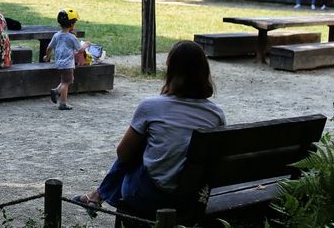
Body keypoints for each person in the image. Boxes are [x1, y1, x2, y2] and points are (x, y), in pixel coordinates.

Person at [71, 40, 225, 217]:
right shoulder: (216, 115)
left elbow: (123, 154)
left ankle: (98, 195)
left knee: (140, 144)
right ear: (204, 71)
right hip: (190, 197)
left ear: (171, 69)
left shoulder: (151, 106)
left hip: (149, 196)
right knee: (150, 142)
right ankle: (96, 195)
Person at [43, 8, 89, 110]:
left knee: (66, 80)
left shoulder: (56, 35)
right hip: (67, 64)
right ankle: (63, 103)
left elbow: (49, 48)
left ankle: (56, 91)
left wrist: (47, 56)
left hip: (58, 63)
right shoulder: (72, 37)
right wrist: (86, 44)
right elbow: (80, 50)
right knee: (66, 82)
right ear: (72, 24)